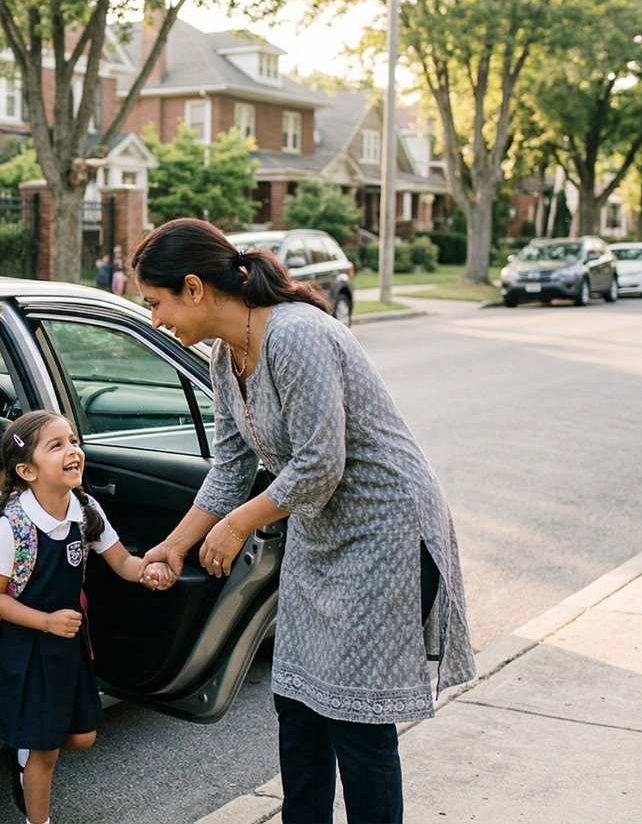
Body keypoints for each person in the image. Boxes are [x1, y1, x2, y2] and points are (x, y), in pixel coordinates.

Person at [131, 218, 474, 824]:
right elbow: (230, 469)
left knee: (358, 721)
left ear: (193, 288)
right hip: (322, 533)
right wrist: (174, 547)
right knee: (299, 706)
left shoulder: (296, 335)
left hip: (385, 529)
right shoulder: (223, 359)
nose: (155, 319)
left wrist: (236, 525)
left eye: (155, 303)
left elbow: (321, 462)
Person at [0, 410, 174, 824]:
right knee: (45, 750)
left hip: (65, 645)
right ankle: (37, 809)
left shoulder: (85, 510)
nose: (73, 451)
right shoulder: (11, 527)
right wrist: (46, 622)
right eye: (57, 446)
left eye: (72, 440)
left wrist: (149, 572)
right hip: (28, 648)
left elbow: (122, 562)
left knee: (82, 737)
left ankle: (25, 754)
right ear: (27, 471)